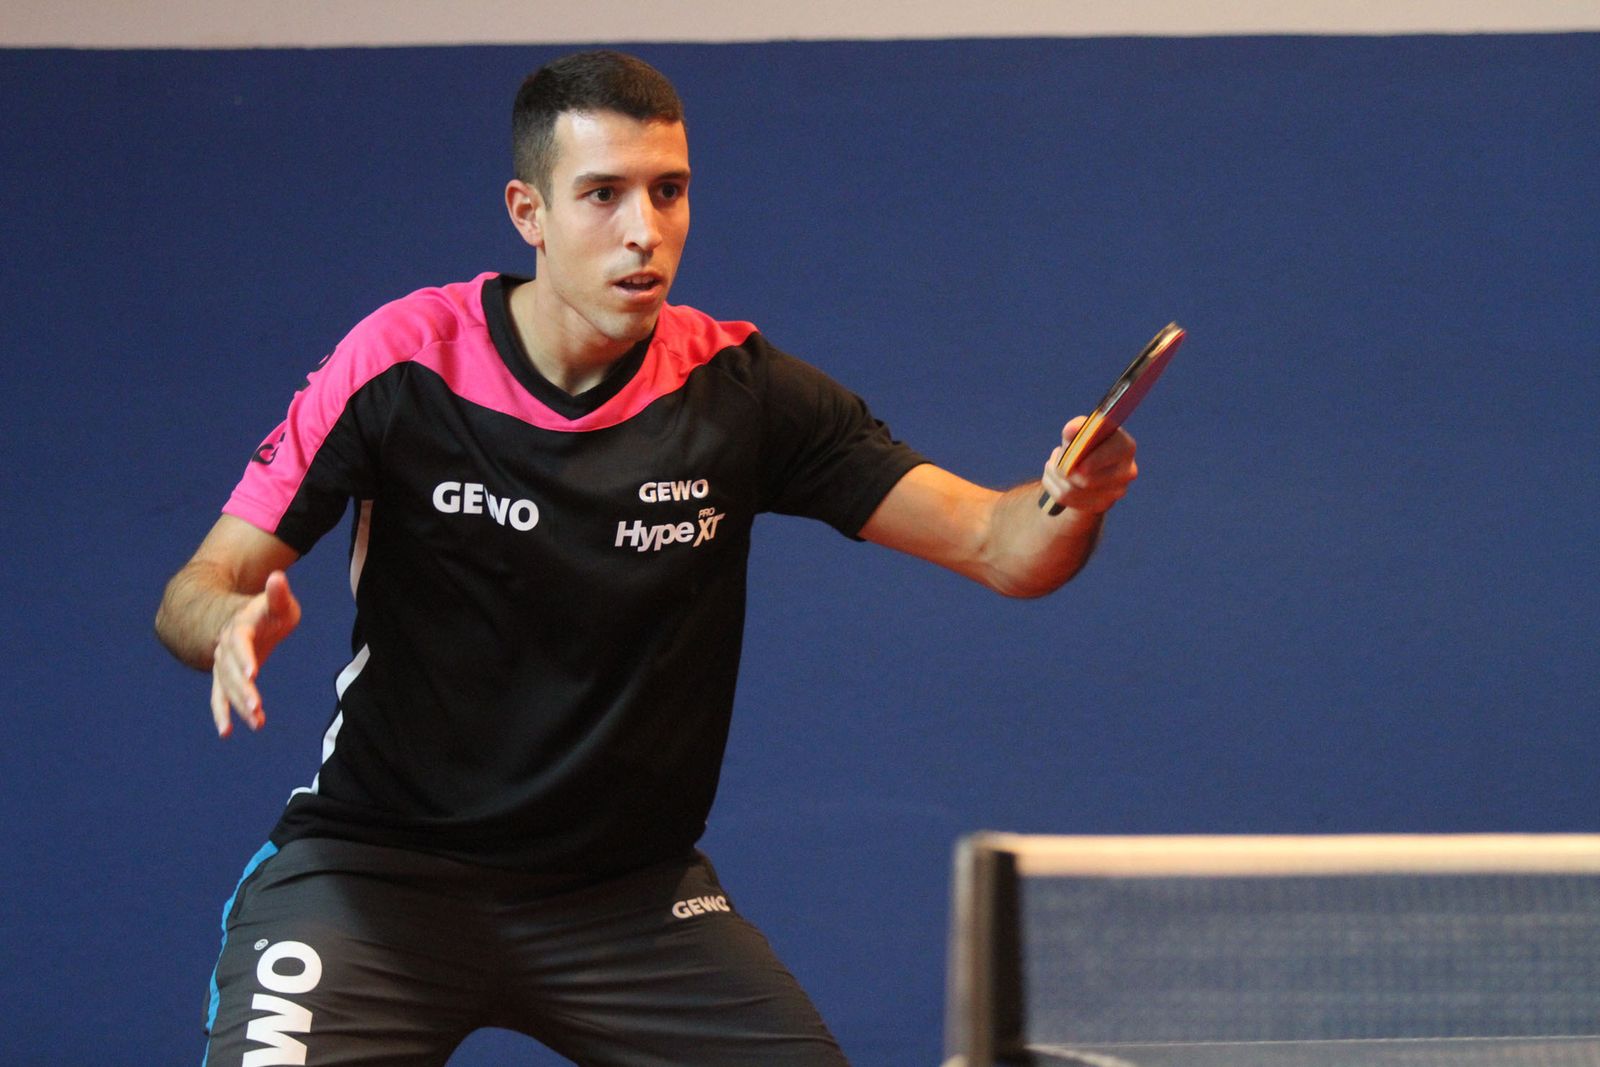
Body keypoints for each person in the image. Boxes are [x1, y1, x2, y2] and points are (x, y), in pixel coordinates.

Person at [155, 50, 1138, 1067]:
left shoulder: (739, 391)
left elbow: (1002, 546)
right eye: (603, 194)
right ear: (527, 211)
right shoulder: (403, 362)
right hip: (374, 881)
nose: (645, 230)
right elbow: (197, 583)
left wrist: (1071, 497)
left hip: (627, 902)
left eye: (669, 192)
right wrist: (226, 620)